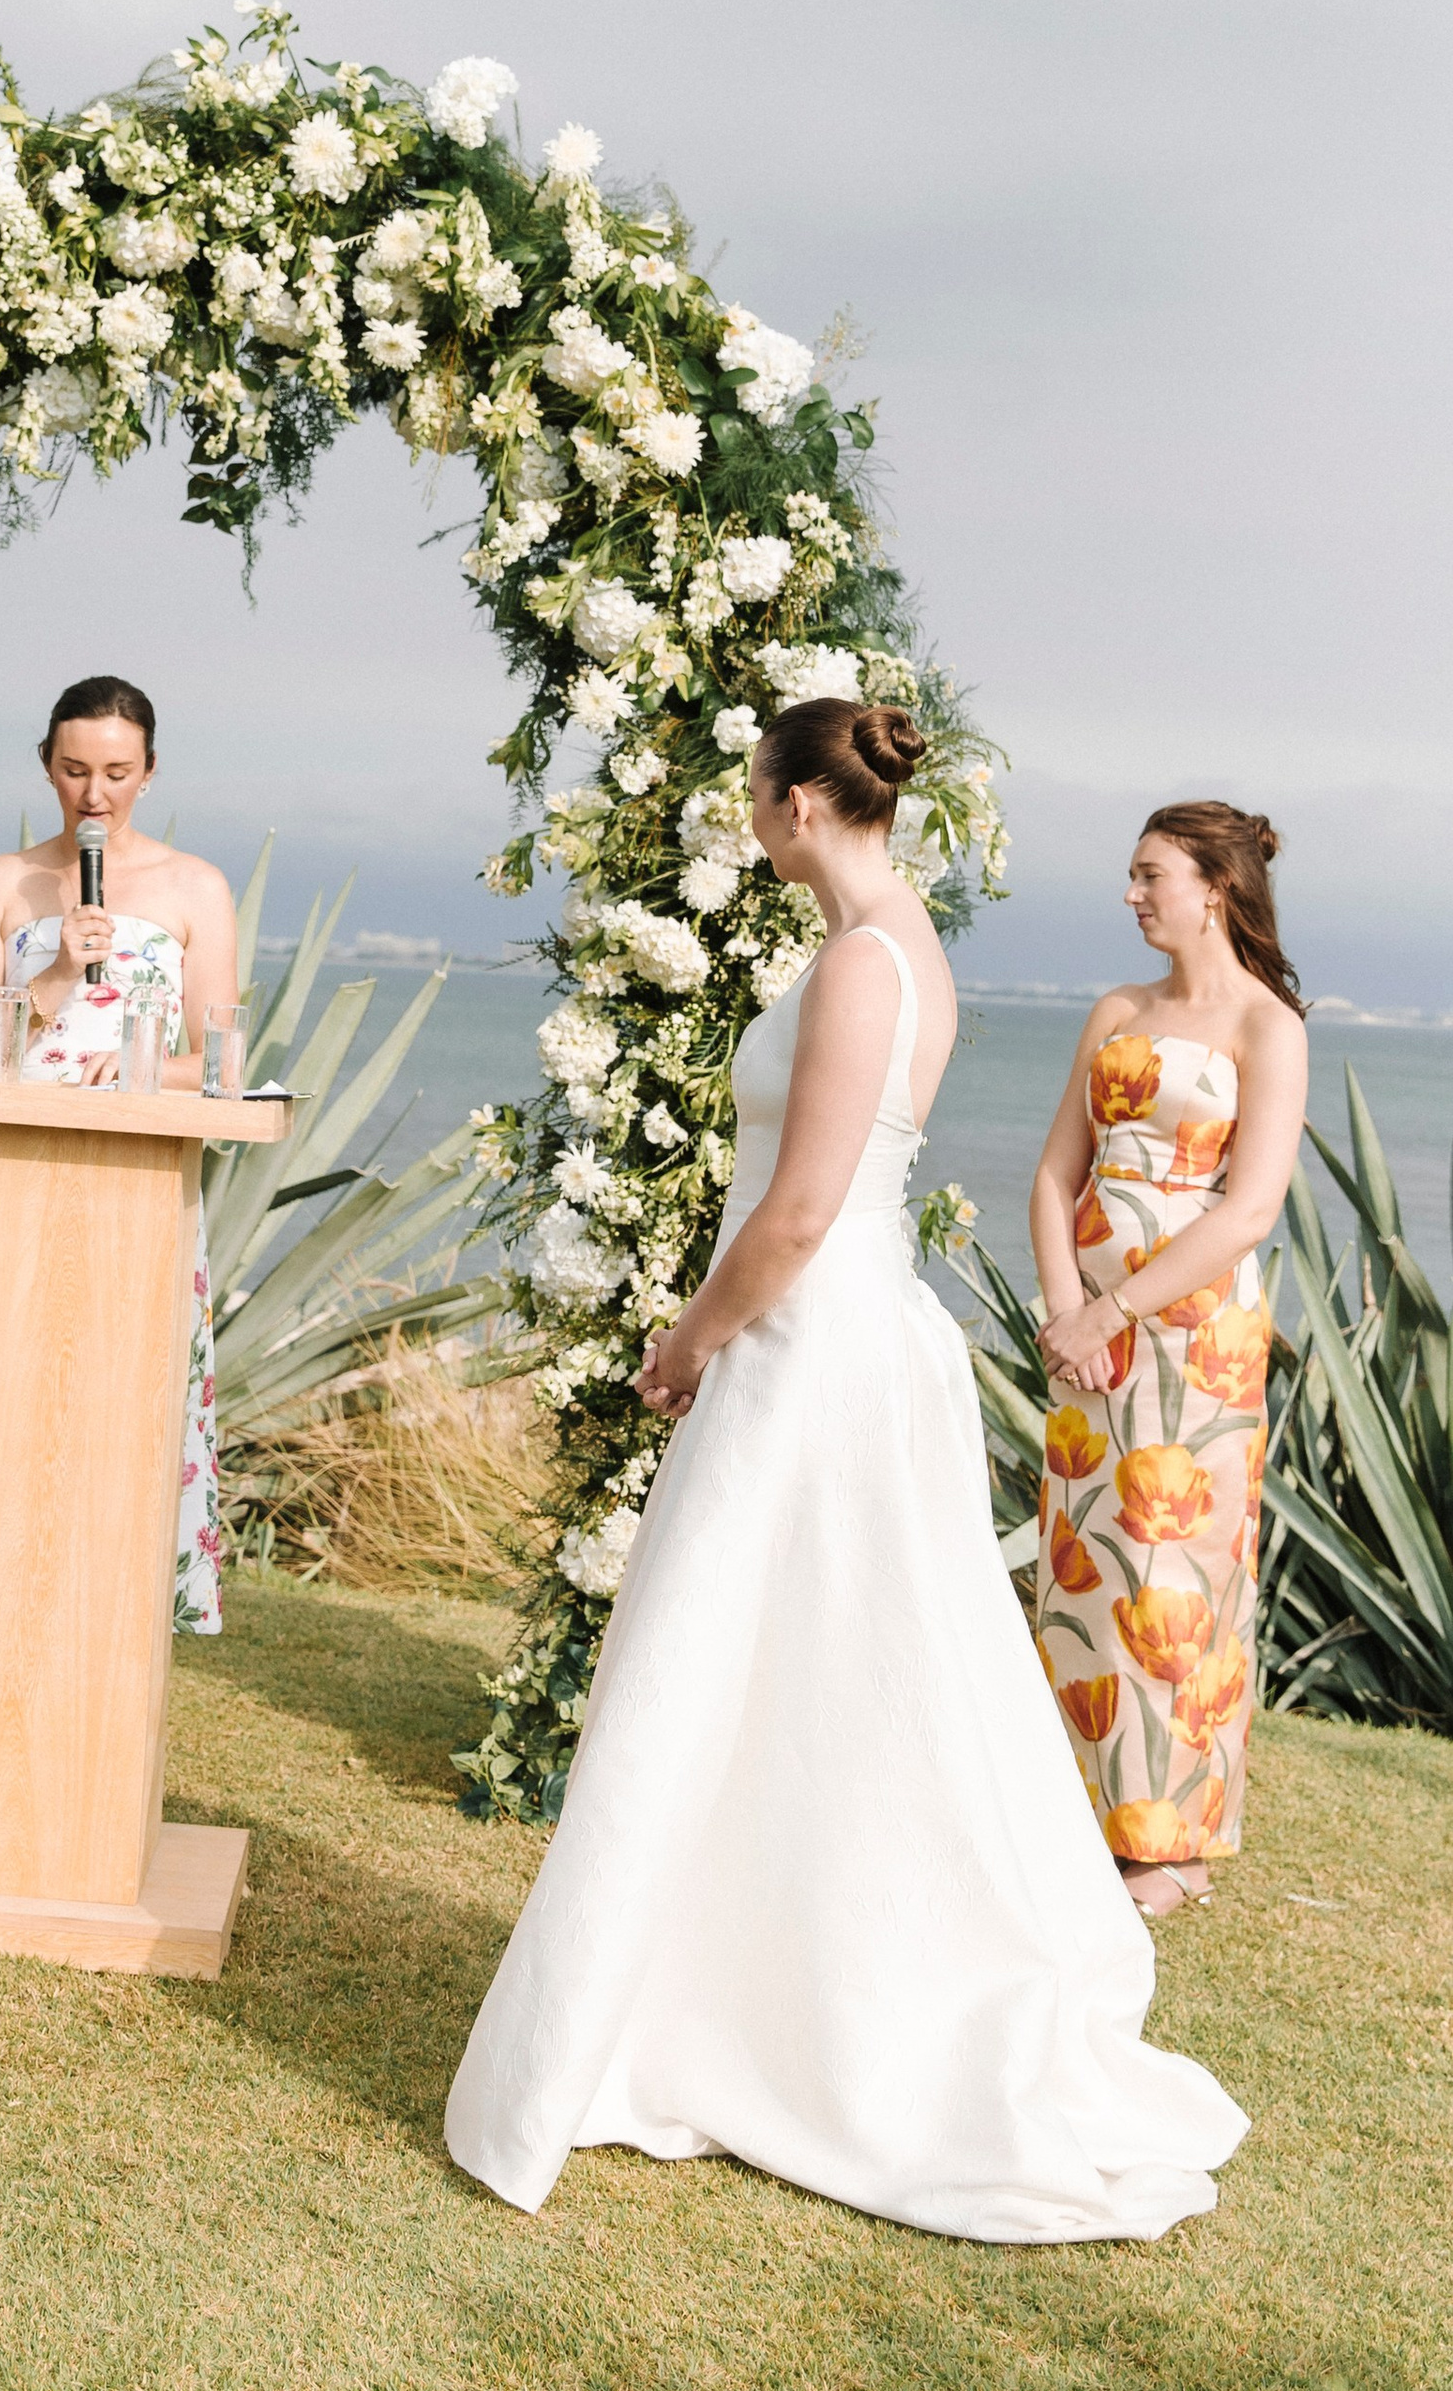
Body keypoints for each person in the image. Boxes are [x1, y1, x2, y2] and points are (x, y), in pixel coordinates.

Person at [444, 697, 1248, 2242]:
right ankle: (697, 2001)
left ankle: (796, 2022)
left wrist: (688, 1342)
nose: (751, 816)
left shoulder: (869, 963)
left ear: (806, 803)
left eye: (758, 793)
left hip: (812, 1354)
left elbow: (803, 1209)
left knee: (761, 1667)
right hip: (829, 1342)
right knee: (776, 1677)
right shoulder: (882, 945)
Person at [1029, 804, 1308, 1920]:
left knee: (1177, 1573)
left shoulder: (1267, 1025)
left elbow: (1248, 1210)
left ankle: (1170, 1844)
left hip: (1197, 1336)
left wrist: (1115, 1312)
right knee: (1080, 1562)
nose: (1134, 894)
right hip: (1085, 1333)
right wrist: (1065, 1310)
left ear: (1216, 888)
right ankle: (1068, 1811)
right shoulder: (1115, 1009)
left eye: (1151, 875)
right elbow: (1056, 1174)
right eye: (1133, 876)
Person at [0, 676, 238, 1633]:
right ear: (47, 767)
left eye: (116, 771)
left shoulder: (196, 888)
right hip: (12, 1181)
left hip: (138, 1190)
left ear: (149, 772)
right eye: (75, 770)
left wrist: (147, 1066)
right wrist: (58, 973)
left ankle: (109, 1623)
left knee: (120, 1422)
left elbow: (222, 1061)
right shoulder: (2, 882)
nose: (95, 794)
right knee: (11, 1415)